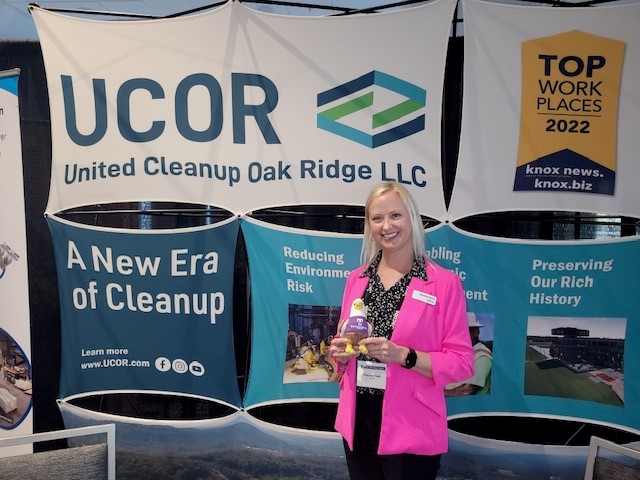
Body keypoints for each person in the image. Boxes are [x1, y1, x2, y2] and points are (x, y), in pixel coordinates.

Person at [329, 181, 474, 480]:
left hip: (412, 426)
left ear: (412, 219)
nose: (386, 226)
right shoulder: (356, 279)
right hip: (359, 421)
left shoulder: (444, 284)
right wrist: (339, 355)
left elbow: (462, 363)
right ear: (369, 225)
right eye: (377, 218)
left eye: (395, 215)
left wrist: (404, 355)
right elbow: (344, 347)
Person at [445, 313, 492, 396]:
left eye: (464, 331)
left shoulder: (482, 356)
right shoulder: (465, 352)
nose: (459, 336)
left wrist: (440, 394)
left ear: (476, 332)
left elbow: (467, 390)